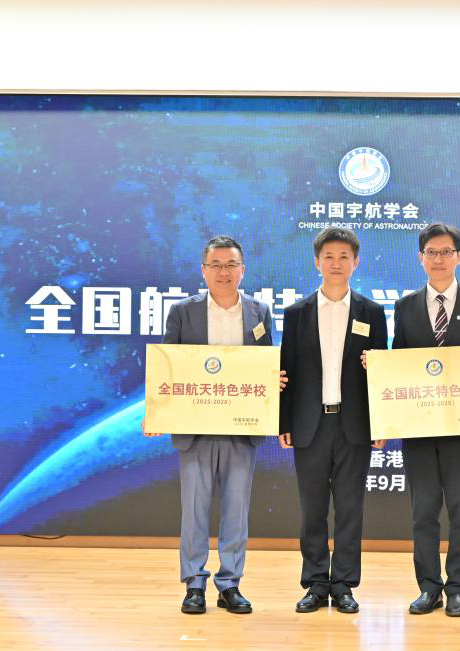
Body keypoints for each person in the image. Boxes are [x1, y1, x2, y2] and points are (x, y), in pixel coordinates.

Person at [143, 235, 276, 615]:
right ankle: (194, 583)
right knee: (194, 510)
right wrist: (157, 412)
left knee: (236, 510)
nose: (223, 272)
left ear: (242, 270)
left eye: (231, 264)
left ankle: (230, 583)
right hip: (195, 429)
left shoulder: (259, 312)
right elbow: (167, 365)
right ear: (203, 271)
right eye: (215, 265)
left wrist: (274, 381)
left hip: (241, 428)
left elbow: (267, 364)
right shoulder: (182, 312)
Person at [388, 222, 460, 617]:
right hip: (419, 427)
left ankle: (457, 588)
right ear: (420, 258)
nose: (438, 259)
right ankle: (428, 588)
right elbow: (399, 364)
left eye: (446, 252)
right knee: (422, 511)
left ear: (459, 256)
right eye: (431, 252)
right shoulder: (405, 306)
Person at [278, 227, 389, 614]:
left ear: (355, 262)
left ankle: (343, 584)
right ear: (316, 262)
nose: (336, 263)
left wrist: (381, 424)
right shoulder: (296, 313)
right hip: (309, 424)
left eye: (344, 256)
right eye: (329, 256)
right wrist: (283, 422)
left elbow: (382, 373)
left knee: (349, 508)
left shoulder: (371, 313)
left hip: (354, 425)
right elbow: (286, 371)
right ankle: (314, 582)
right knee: (312, 509)